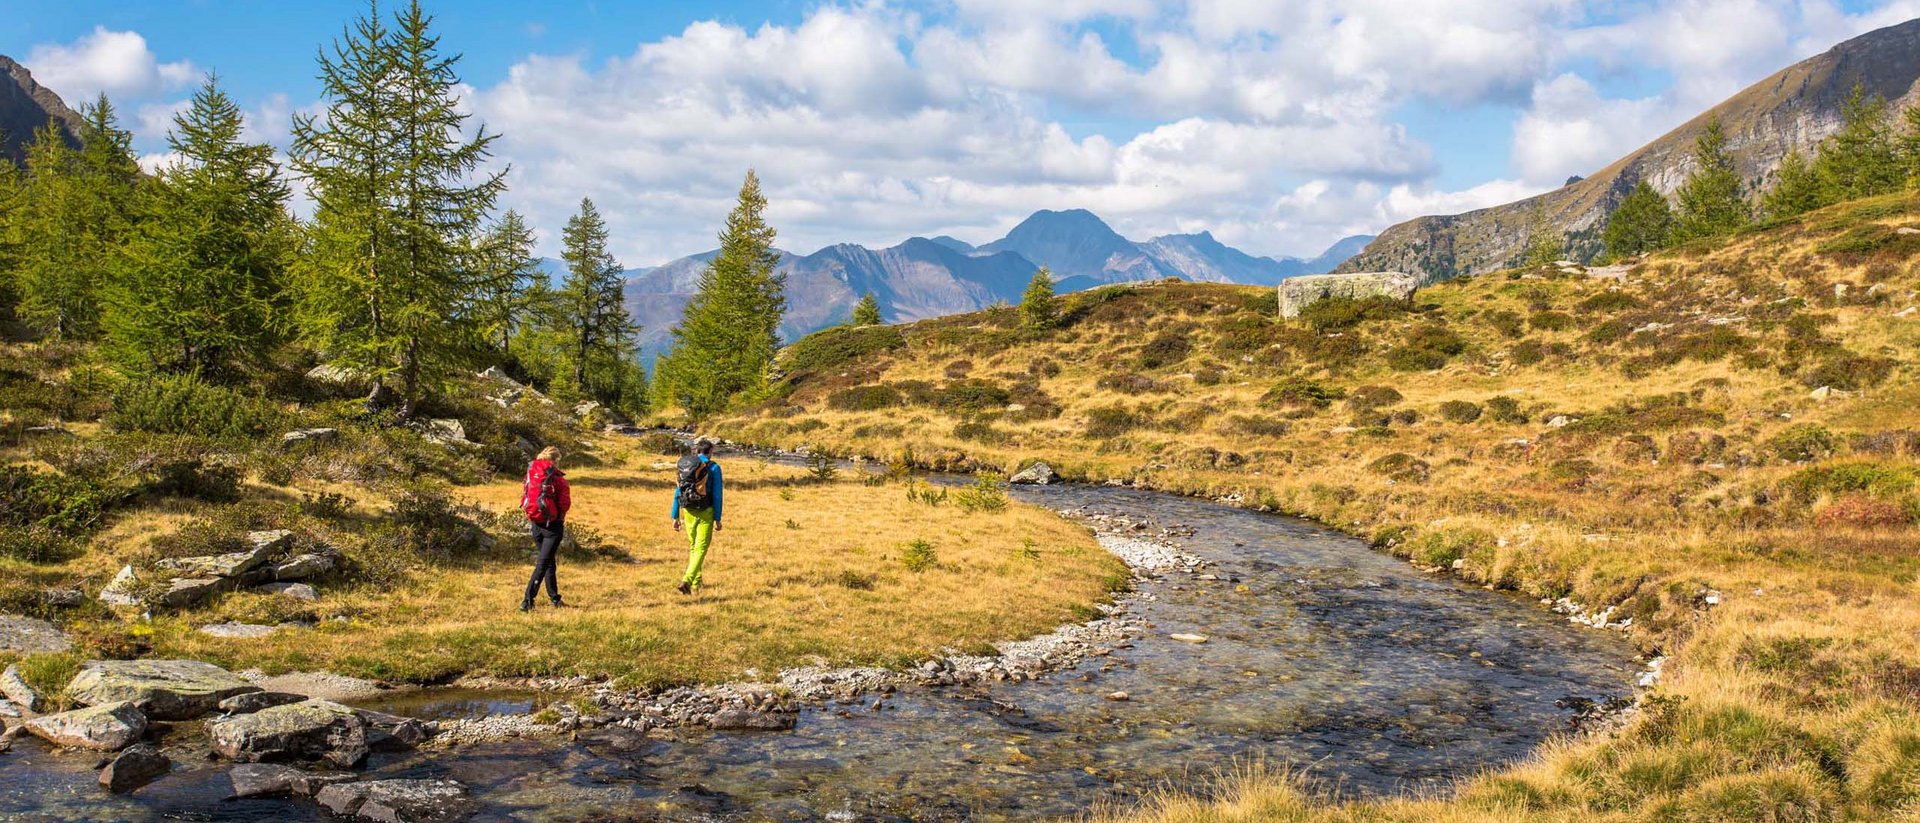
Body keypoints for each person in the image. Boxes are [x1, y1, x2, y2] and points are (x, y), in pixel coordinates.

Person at [520, 446, 572, 612]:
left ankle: (555, 598)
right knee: (542, 564)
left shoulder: (531, 475)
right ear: (556, 461)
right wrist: (560, 516)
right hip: (553, 526)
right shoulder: (559, 480)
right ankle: (527, 601)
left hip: (535, 523)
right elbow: (565, 504)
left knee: (549, 561)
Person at [671, 439, 724, 595]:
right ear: (710, 451)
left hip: (688, 509)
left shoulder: (686, 466)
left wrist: (675, 515)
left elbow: (677, 491)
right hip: (705, 511)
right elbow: (717, 495)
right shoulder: (713, 467)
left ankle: (696, 582)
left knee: (694, 546)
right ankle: (687, 580)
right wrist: (718, 518)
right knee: (701, 548)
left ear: (696, 451)